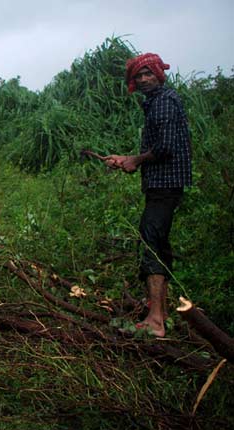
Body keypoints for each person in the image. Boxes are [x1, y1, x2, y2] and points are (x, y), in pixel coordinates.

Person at [105, 53, 192, 337]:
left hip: (165, 184)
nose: (143, 79)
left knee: (151, 241)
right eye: (137, 76)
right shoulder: (157, 101)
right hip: (162, 183)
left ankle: (155, 321)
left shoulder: (164, 102)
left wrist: (135, 160)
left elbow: (165, 147)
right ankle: (162, 312)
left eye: (147, 74)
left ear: (158, 73)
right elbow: (158, 148)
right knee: (159, 241)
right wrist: (128, 158)